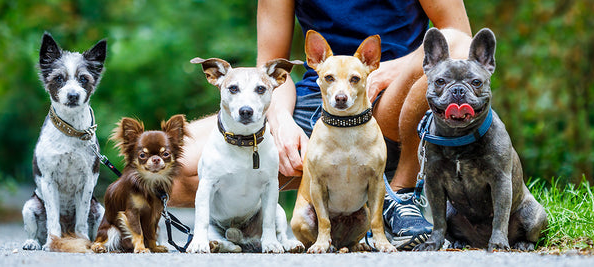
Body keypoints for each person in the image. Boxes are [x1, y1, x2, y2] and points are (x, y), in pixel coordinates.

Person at [169, 0, 473, 250]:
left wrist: (384, 73)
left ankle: (401, 193)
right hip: (315, 102)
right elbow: (272, 64)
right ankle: (243, 228)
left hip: (390, 96)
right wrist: (280, 120)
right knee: (171, 164)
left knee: (455, 46)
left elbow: (461, 36)